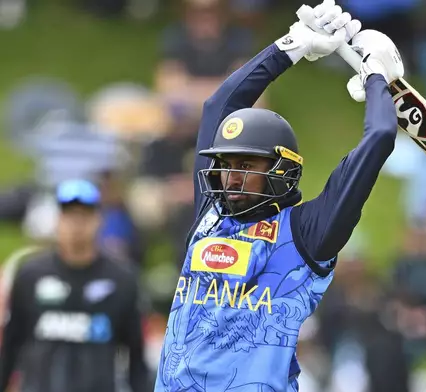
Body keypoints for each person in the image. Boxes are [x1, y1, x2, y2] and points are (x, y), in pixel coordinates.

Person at [154, 0, 405, 390]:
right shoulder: (211, 214)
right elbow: (219, 107)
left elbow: (379, 138)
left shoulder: (309, 232)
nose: (230, 178)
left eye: (245, 165)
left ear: (279, 169)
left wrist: (377, 77)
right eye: (225, 164)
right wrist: (292, 46)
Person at [0, 179, 151, 392]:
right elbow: (10, 346)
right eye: (70, 216)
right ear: (58, 220)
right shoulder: (30, 275)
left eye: (84, 216)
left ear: (98, 220)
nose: (76, 225)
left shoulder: (122, 280)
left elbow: (136, 354)